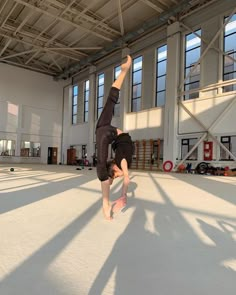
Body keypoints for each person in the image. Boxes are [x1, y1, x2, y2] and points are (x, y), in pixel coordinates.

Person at [96, 55, 133, 220]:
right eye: (117, 176)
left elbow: (126, 178)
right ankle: (124, 71)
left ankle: (105, 205)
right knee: (111, 98)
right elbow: (122, 176)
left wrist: (124, 194)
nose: (120, 175)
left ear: (116, 168)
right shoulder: (119, 159)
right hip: (104, 130)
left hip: (107, 133)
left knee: (102, 169)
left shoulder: (121, 161)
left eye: (115, 174)